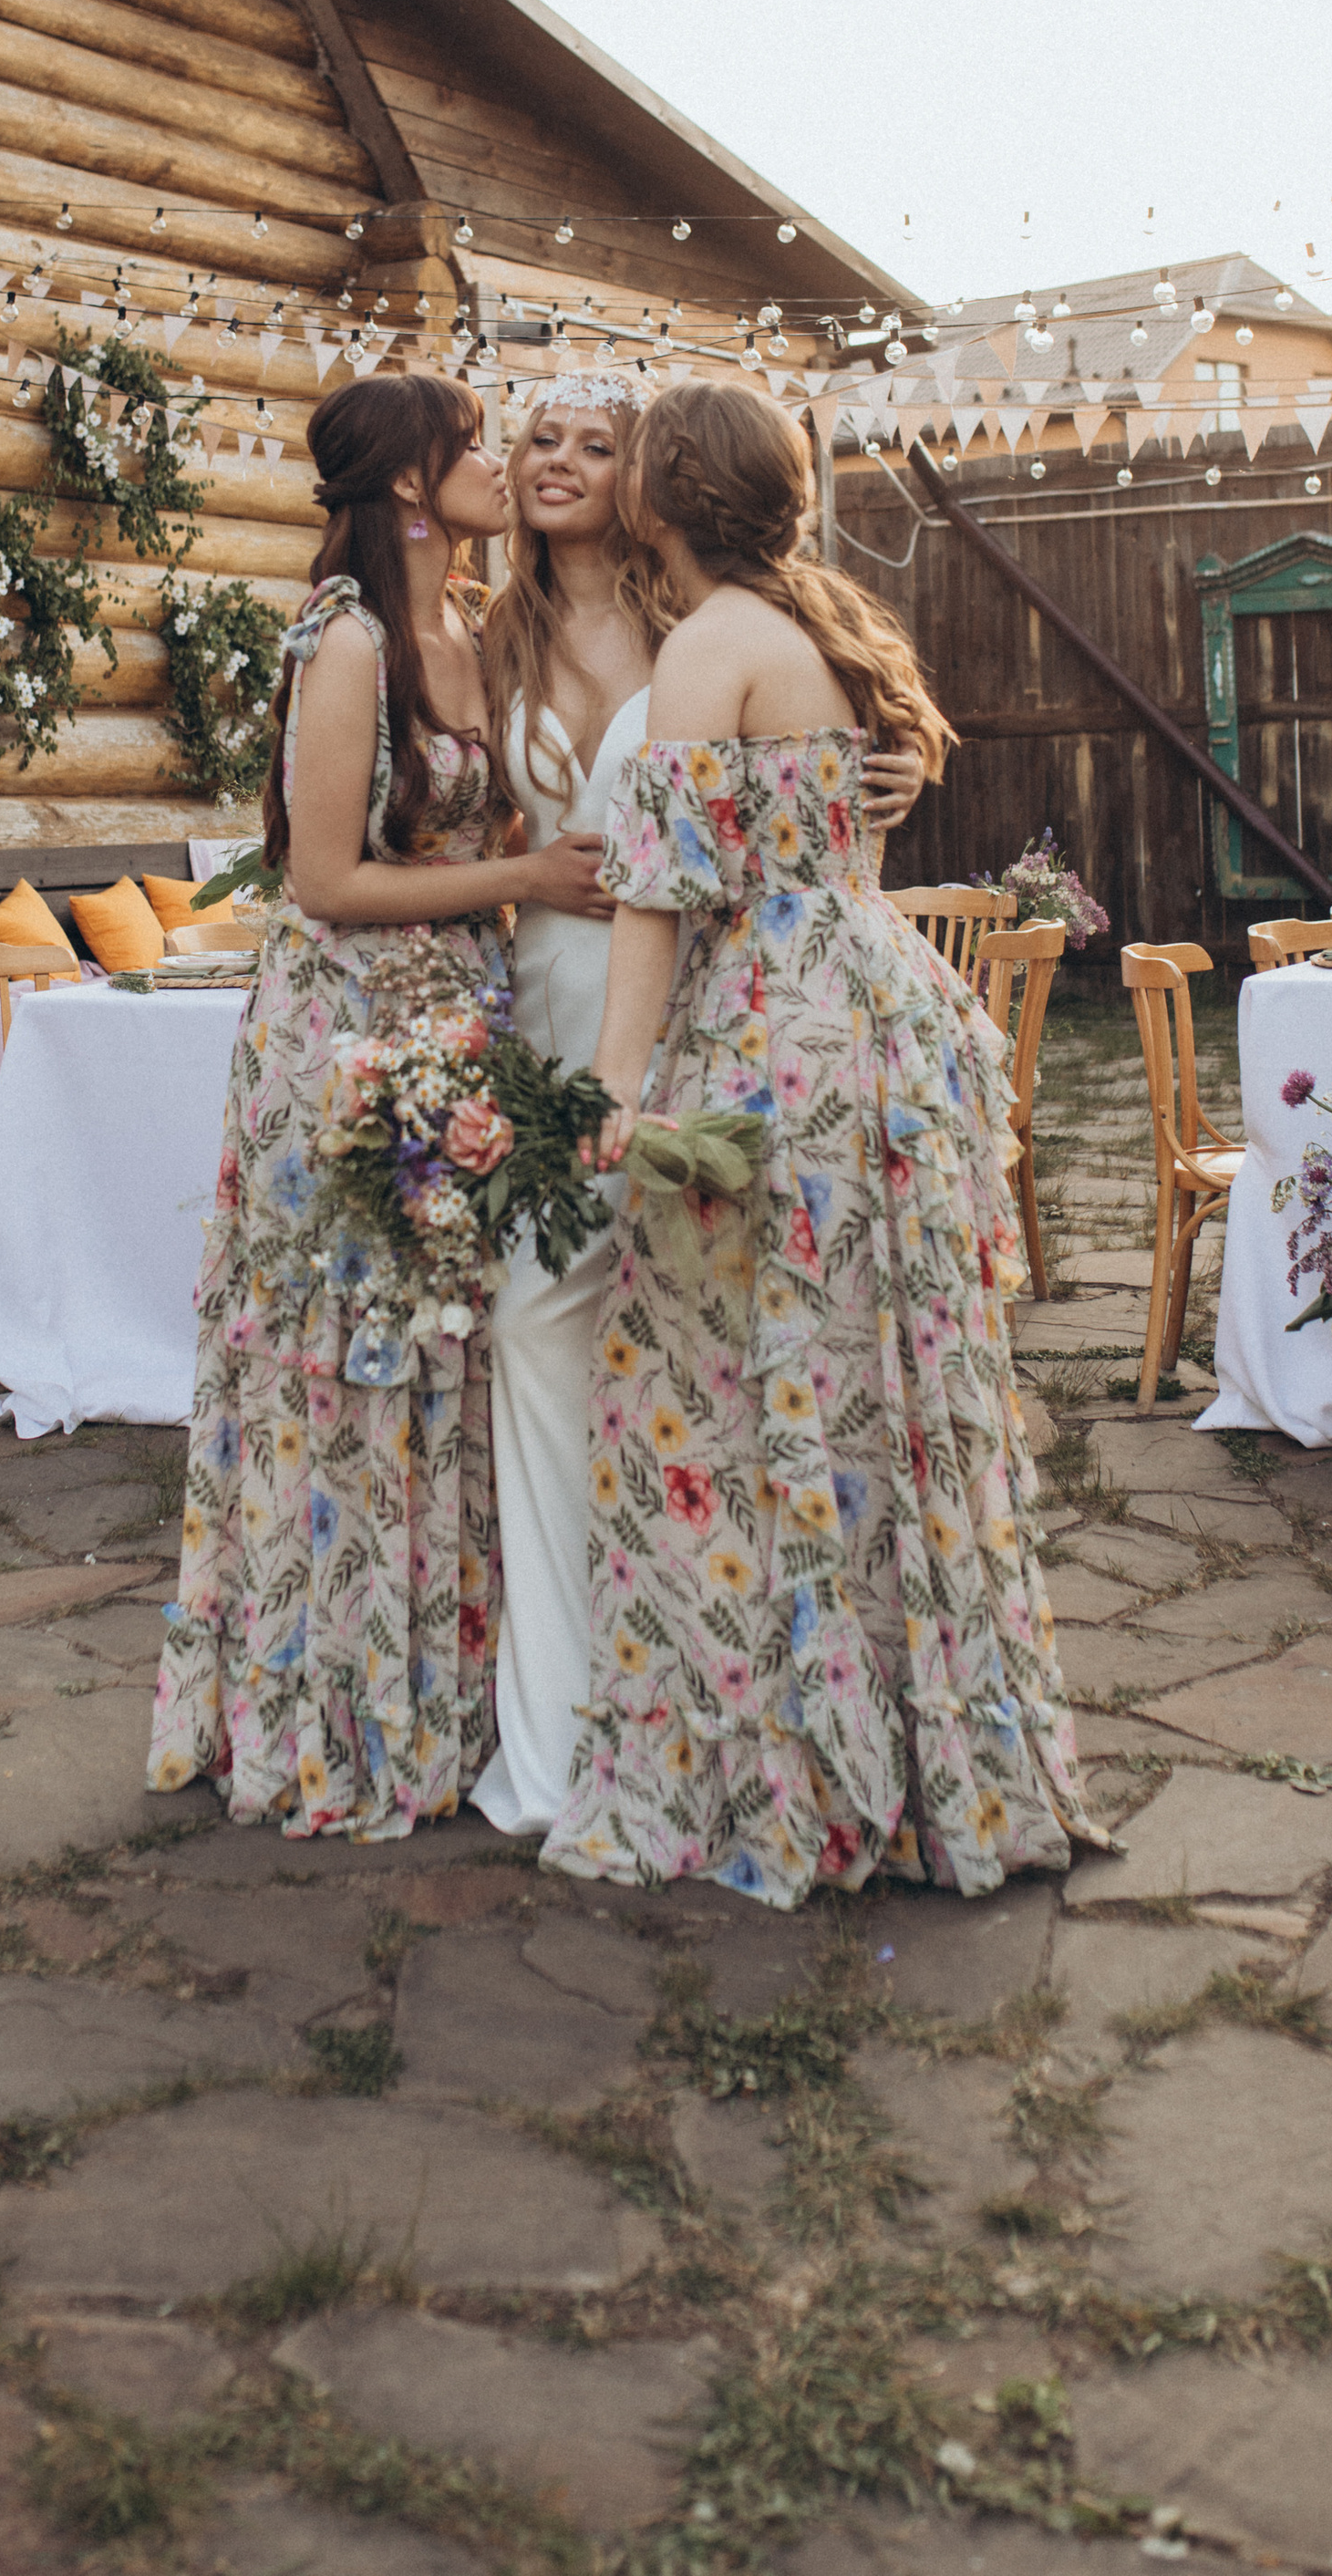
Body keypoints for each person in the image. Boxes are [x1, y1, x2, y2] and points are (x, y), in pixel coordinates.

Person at [543, 378, 1099, 1907]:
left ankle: (789, 1756)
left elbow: (659, 894)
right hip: (868, 1015)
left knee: (733, 1384)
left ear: (661, 495)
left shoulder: (711, 643)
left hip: (779, 1036)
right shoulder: (815, 626)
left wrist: (613, 1090)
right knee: (866, 1382)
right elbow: (836, 815)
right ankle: (903, 1737)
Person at [146, 371, 610, 1839]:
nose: (501, 461)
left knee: (451, 1350)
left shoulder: (473, 627)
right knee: (354, 1360)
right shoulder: (346, 641)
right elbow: (324, 878)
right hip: (346, 1040)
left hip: (463, 1020)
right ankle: (334, 1710)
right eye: (474, 444)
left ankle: (454, 1704)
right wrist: (524, 877)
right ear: (412, 482)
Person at [470, 372, 932, 1841]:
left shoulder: (711, 632)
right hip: (594, 999)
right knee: (601, 1339)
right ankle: (590, 1711)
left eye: (606, 447)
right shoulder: (505, 637)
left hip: (711, 1024)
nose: (567, 463)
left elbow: (693, 865)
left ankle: (689, 1710)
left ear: (657, 489)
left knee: (709, 1361)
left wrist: (895, 774)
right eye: (541, 440)